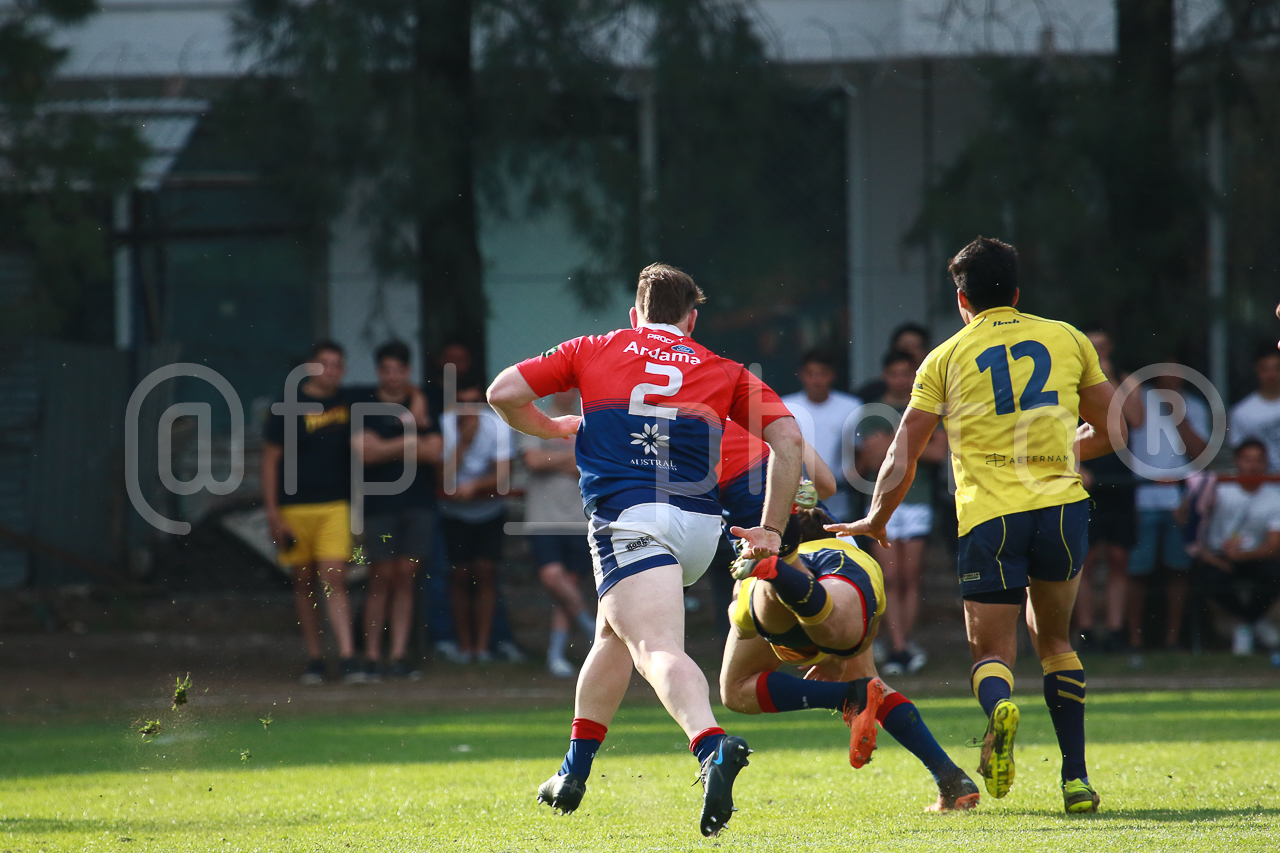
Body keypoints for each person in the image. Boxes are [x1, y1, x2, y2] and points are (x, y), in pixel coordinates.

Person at [487, 263, 804, 837]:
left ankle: (710, 745)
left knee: (654, 646)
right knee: (614, 634)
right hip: (702, 529)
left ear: (635, 314)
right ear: (692, 319)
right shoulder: (723, 367)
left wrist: (552, 429)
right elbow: (789, 440)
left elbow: (502, 393)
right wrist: (771, 531)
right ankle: (572, 771)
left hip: (632, 520)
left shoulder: (593, 347)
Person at [827, 237, 1126, 814]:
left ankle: (999, 710)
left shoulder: (945, 357)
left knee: (991, 652)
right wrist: (1058, 452)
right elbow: (1115, 428)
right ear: (1016, 291)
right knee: (1056, 643)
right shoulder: (1067, 338)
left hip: (991, 517)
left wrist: (875, 518)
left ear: (961, 299)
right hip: (1061, 510)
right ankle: (1076, 779)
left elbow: (903, 453)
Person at [719, 506, 981, 812]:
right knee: (864, 675)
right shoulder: (852, 551)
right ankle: (950, 778)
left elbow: (741, 623)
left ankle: (843, 695)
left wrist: (740, 599)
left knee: (736, 688)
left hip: (768, 569)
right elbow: (826, 485)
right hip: (844, 569)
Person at [261, 341, 362, 685]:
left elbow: (393, 394)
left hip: (335, 504)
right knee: (303, 581)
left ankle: (348, 656)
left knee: (334, 576)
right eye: (324, 363)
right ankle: (315, 658)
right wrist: (273, 514)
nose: (330, 371)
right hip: (294, 507)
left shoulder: (350, 402)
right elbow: (270, 461)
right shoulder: (285, 406)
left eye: (337, 364)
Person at [853, 350, 948, 675]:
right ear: (885, 375)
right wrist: (911, 444)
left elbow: (938, 452)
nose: (900, 379)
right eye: (894, 373)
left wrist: (893, 443)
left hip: (918, 501)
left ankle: (904, 644)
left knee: (910, 576)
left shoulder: (925, 405)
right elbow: (869, 460)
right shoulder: (871, 411)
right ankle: (896, 646)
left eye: (906, 373)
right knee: (890, 578)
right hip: (882, 503)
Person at [353, 341, 443, 680]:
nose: (392, 376)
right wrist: (411, 439)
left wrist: (387, 445)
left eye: (399, 370)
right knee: (380, 576)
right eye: (386, 370)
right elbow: (366, 454)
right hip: (379, 505)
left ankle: (399, 655)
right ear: (379, 371)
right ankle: (371, 656)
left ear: (408, 370)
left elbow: (435, 452)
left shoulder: (424, 401)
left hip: (418, 503)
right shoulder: (364, 404)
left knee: (406, 577)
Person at [1125, 364, 1209, 651]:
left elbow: (1200, 453)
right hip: (1142, 497)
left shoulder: (1195, 405)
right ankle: (1134, 640)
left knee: (1178, 569)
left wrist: (1178, 415)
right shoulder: (1138, 399)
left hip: (1178, 500)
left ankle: (1172, 640)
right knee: (1137, 570)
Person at [1075, 331, 1143, 653]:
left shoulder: (1126, 380)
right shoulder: (1071, 382)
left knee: (1119, 558)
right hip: (1086, 480)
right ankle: (1086, 631)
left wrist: (1110, 379)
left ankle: (1116, 631)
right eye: (1092, 347)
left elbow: (1136, 419)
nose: (1098, 352)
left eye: (1102, 347)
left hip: (1120, 480)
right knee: (1085, 559)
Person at [521, 390, 597, 678]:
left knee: (568, 586)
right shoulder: (535, 418)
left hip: (579, 519)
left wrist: (554, 459)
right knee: (553, 577)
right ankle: (592, 630)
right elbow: (533, 461)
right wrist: (574, 461)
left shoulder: (590, 422)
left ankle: (556, 656)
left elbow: (595, 464)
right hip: (543, 518)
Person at [439, 384, 513, 664]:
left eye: (473, 401)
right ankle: (464, 646)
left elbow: (504, 475)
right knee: (458, 576)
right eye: (462, 402)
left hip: (489, 511)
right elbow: (442, 478)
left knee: (485, 574)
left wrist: (475, 486)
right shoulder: (444, 424)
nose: (467, 408)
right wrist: (464, 442)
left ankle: (482, 647)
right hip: (452, 513)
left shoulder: (498, 425)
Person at [1194, 439, 1280, 655]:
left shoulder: (1274, 497)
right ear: (1237, 462)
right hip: (1217, 557)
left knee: (1275, 574)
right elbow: (1193, 525)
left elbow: (1273, 545)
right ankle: (1251, 624)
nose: (1253, 466)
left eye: (1259, 460)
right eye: (1247, 460)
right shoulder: (1219, 489)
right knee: (1208, 578)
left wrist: (1243, 555)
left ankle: (1246, 625)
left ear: (1266, 463)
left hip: (1255, 557)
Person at [781, 350, 862, 520]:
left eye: (822, 374)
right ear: (802, 375)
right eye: (811, 374)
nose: (816, 380)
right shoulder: (786, 406)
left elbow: (859, 451)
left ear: (832, 375)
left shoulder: (851, 406)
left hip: (840, 499)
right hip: (796, 499)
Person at [1230, 348, 1280, 472]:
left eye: (1277, 368)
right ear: (1256, 371)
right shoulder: (1241, 412)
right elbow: (1239, 454)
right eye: (1265, 369)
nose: (1272, 374)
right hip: (1260, 481)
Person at [855, 322, 932, 402]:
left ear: (925, 352)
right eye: (905, 347)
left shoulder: (933, 389)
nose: (909, 352)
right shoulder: (869, 395)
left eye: (915, 347)